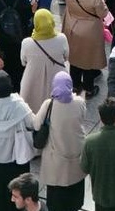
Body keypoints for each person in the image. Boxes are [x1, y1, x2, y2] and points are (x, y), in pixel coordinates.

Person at [0, 70, 36, 211]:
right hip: (14, 157)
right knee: (16, 190)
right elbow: (33, 123)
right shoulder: (19, 105)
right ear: (10, 87)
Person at [34, 72, 87, 211]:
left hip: (55, 161)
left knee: (56, 197)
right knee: (74, 193)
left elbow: (36, 124)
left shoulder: (49, 105)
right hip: (76, 154)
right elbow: (82, 118)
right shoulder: (79, 102)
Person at [61, 0, 108, 97]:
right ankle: (89, 89)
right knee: (88, 61)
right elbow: (103, 13)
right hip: (90, 32)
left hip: (73, 28)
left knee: (74, 59)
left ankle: (75, 86)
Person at [19, 8, 68, 113]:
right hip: (57, 79)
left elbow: (23, 62)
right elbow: (66, 57)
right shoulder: (62, 39)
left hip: (32, 81)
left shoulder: (26, 43)